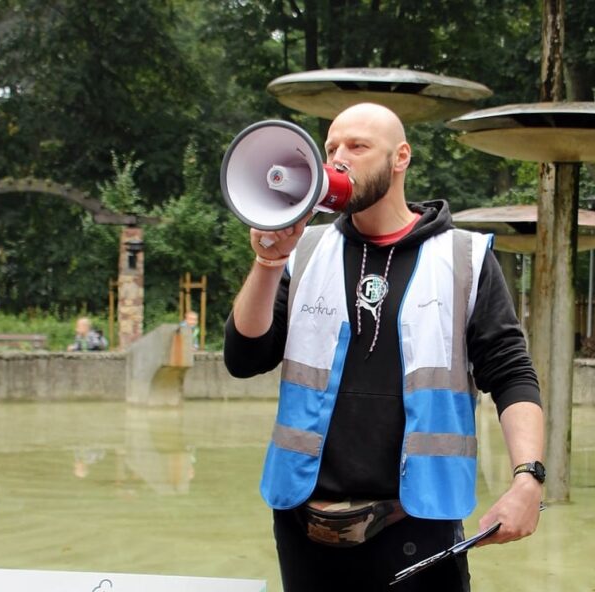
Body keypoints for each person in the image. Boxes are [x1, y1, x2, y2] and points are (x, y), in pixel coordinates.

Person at [224, 103, 544, 591]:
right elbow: (244, 358)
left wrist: (528, 478)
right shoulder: (305, 252)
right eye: (331, 148)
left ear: (401, 158)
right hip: (305, 522)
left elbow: (511, 374)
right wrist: (269, 264)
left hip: (418, 522)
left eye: (357, 146)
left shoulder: (463, 258)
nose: (338, 158)